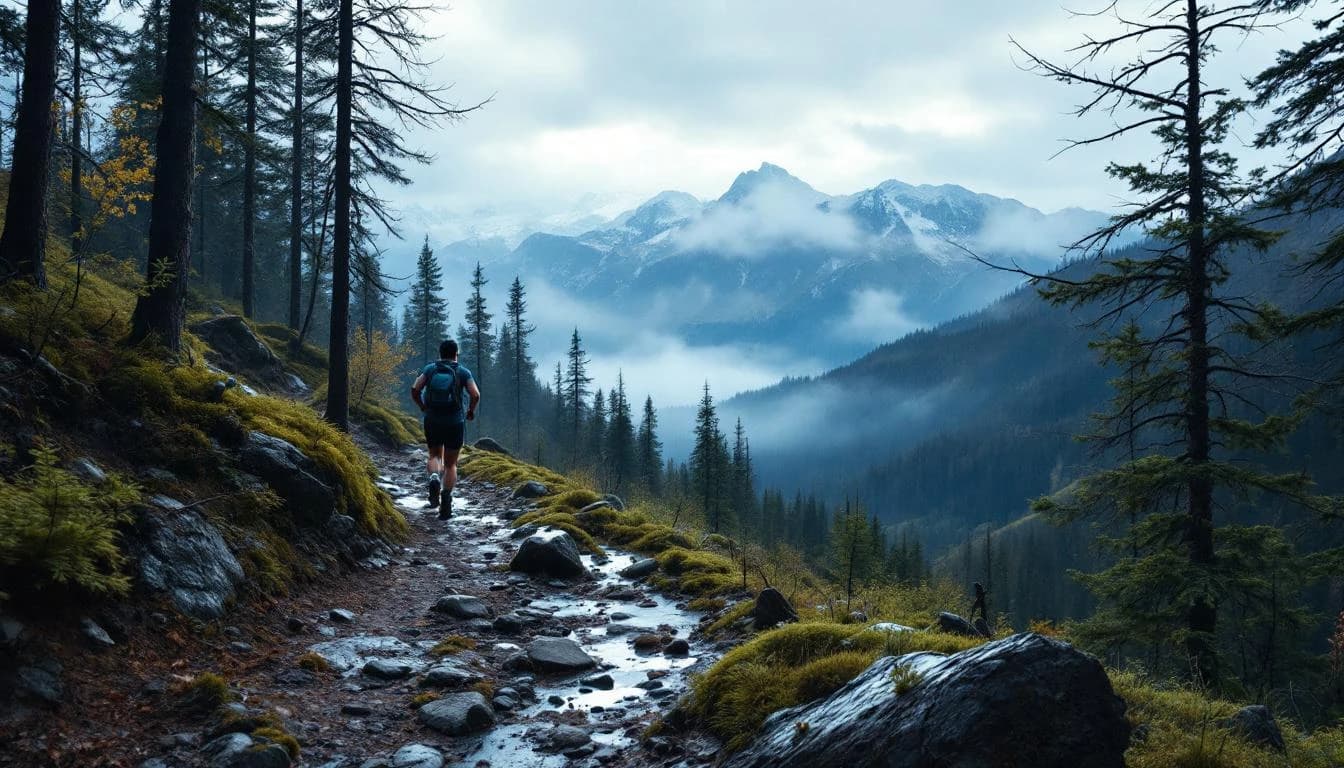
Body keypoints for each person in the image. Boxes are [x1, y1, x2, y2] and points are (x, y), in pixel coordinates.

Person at [410, 339, 481, 519]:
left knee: (434, 455)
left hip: (432, 419)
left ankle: (434, 477)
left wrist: (423, 407)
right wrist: (470, 411)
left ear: (440, 353)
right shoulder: (463, 372)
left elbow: (415, 389)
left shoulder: (430, 369)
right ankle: (446, 498)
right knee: (450, 464)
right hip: (454, 421)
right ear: (456, 353)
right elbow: (475, 394)